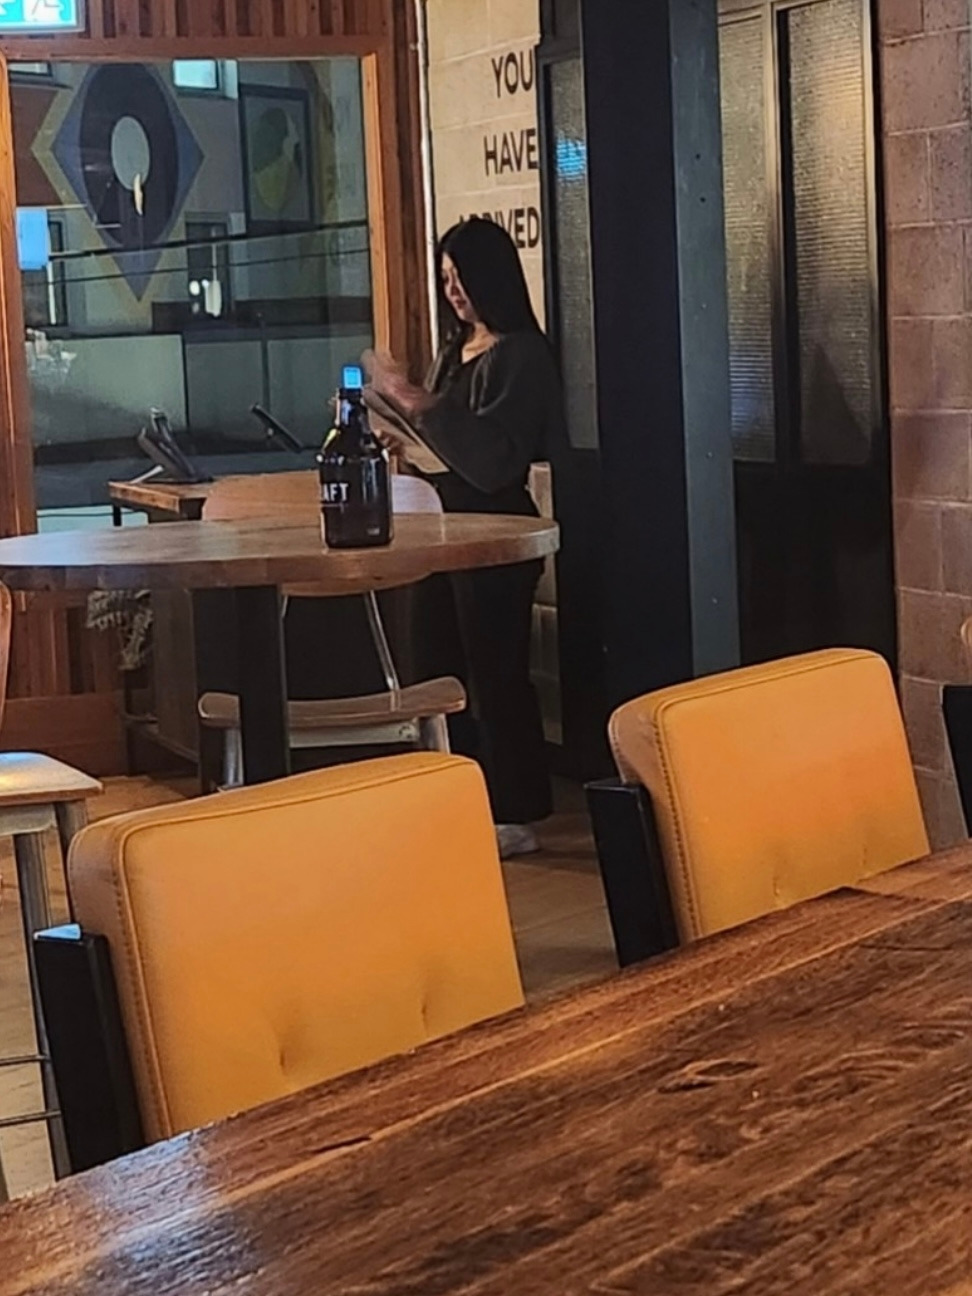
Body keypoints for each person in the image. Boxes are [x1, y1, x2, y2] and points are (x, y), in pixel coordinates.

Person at [366, 217, 562, 859]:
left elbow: (493, 458)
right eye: (445, 277)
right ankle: (449, 794)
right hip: (441, 524)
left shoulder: (522, 355)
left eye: (462, 277)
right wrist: (403, 428)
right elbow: (444, 437)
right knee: (435, 664)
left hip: (496, 528)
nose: (452, 290)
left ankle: (511, 806)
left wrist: (417, 403)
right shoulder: (454, 349)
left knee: (495, 672)